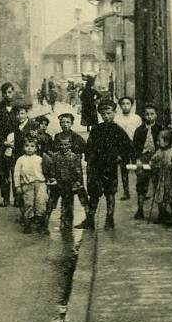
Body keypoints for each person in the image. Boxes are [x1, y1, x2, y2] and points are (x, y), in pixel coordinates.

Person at [75, 99, 132, 231]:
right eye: (103, 114)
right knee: (94, 194)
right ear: (100, 114)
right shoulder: (96, 129)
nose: (106, 116)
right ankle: (90, 220)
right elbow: (89, 145)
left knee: (110, 194)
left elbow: (127, 146)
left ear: (114, 113)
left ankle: (110, 219)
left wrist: (119, 157)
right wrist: (89, 159)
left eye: (109, 113)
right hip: (96, 167)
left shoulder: (118, 130)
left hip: (110, 167)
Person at [45, 132, 88, 228]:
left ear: (70, 145)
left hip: (69, 184)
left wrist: (77, 182)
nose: (63, 147)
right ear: (58, 145)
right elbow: (52, 170)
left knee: (67, 204)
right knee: (51, 203)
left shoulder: (74, 157)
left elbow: (78, 171)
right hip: (58, 183)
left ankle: (67, 224)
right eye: (61, 145)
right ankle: (45, 222)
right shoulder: (55, 156)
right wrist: (52, 178)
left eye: (66, 144)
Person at [132, 102, 163, 221]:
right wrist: (137, 159)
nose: (149, 117)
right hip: (143, 157)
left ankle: (161, 212)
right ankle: (140, 210)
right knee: (141, 184)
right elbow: (134, 147)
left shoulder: (160, 129)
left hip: (157, 157)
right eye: (147, 114)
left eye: (152, 114)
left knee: (159, 184)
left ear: (156, 115)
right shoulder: (139, 131)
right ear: (144, 116)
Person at [13, 135, 49, 234]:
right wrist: (17, 186)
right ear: (23, 147)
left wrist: (47, 184)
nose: (29, 148)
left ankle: (41, 225)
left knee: (41, 202)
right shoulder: (20, 159)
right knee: (28, 203)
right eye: (27, 146)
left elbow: (45, 171)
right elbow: (16, 173)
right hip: (27, 184)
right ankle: (27, 225)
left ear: (36, 148)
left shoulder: (39, 159)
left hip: (40, 183)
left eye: (32, 146)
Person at [150, 130, 172, 225]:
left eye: (159, 141)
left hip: (171, 180)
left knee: (171, 197)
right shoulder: (159, 152)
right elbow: (153, 160)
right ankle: (162, 215)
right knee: (160, 197)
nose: (157, 143)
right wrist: (153, 165)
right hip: (161, 178)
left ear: (167, 142)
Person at [0, 82, 16, 207]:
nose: (7, 95)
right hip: (2, 144)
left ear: (13, 92)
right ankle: (5, 197)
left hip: (16, 144)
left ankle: (18, 198)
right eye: (5, 93)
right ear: (2, 94)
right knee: (4, 171)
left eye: (10, 92)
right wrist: (0, 141)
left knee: (16, 170)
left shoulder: (18, 108)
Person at [114, 95, 141, 201]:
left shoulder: (137, 118)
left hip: (134, 146)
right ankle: (126, 192)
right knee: (124, 170)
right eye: (123, 104)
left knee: (138, 168)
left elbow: (140, 133)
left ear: (131, 105)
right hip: (123, 147)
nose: (125, 106)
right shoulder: (117, 119)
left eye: (127, 104)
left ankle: (141, 190)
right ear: (120, 106)